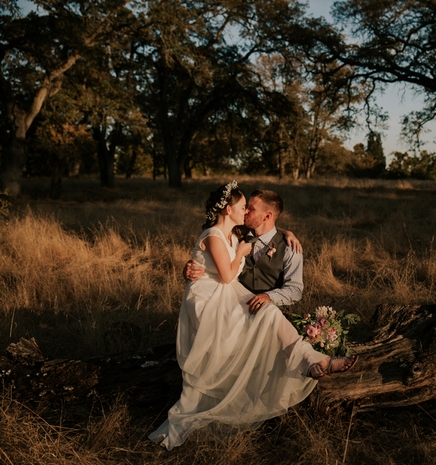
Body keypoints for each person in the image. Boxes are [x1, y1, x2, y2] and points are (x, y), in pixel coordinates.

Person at [149, 181, 357, 450]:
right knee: (266, 317)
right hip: (227, 303)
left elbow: (295, 290)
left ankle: (310, 362)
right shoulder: (239, 233)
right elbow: (213, 253)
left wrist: (283, 236)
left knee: (269, 313)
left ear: (268, 216)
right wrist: (189, 269)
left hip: (250, 304)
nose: (246, 212)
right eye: (244, 207)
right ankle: (311, 361)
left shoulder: (289, 246)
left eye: (251, 208)